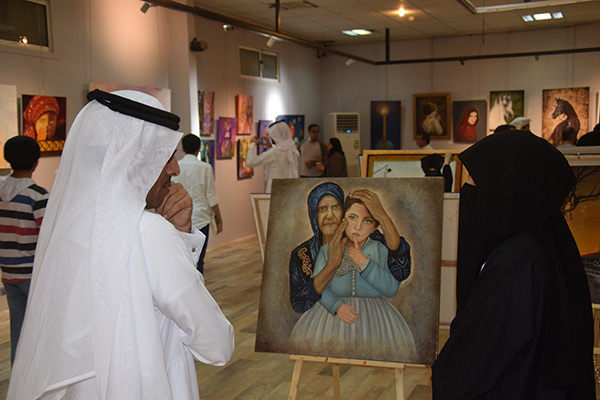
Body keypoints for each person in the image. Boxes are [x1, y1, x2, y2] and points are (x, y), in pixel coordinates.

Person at [7, 90, 234, 399]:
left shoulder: (68, 227)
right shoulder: (150, 233)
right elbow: (217, 345)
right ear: (133, 158)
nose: (175, 169)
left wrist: (179, 233)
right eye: (165, 155)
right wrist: (175, 238)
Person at [431, 130, 594, 399]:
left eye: (476, 179)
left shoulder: (516, 262)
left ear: (508, 188)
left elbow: (468, 370)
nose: (468, 188)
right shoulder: (549, 243)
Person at [289, 195, 416, 361]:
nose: (358, 226)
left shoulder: (379, 249)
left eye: (367, 221)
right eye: (352, 218)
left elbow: (391, 289)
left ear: (374, 226)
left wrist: (365, 264)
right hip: (332, 316)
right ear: (343, 220)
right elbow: (319, 287)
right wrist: (337, 306)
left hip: (374, 318)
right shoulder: (327, 250)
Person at [289, 182, 411, 313]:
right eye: (322, 209)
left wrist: (365, 264)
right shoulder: (306, 254)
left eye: (336, 207)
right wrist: (336, 304)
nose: (329, 215)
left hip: (373, 313)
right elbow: (300, 303)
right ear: (313, 213)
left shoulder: (378, 245)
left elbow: (395, 278)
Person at [0, 136, 48, 365]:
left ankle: (18, 377)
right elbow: (47, 236)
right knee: (42, 331)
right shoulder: (38, 196)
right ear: (36, 162)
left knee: (17, 330)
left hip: (8, 273)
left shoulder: (0, 190)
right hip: (32, 275)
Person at [173, 133, 223, 274]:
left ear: (183, 148)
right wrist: (219, 219)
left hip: (178, 217)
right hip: (201, 217)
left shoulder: (177, 166)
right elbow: (211, 197)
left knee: (182, 256)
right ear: (199, 149)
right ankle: (198, 284)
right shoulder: (205, 168)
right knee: (199, 258)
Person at [246, 120, 300, 193]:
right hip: (289, 191)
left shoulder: (274, 152)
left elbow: (250, 162)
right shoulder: (293, 149)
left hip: (274, 192)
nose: (271, 138)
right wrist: (270, 147)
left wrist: (252, 144)